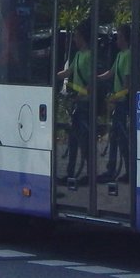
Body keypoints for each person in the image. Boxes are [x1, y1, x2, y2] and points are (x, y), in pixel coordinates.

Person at [57, 22, 92, 184]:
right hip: (78, 103)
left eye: (77, 37)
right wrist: (54, 74)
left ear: (83, 38)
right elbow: (69, 72)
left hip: (85, 104)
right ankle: (70, 173)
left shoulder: (89, 56)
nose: (75, 40)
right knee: (73, 139)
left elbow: (90, 82)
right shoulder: (78, 56)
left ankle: (89, 173)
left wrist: (80, 95)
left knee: (82, 141)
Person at [97, 25, 131, 184]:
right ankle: (113, 169)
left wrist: (114, 98)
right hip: (118, 103)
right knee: (115, 137)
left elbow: (126, 86)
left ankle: (124, 171)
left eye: (119, 37)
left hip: (122, 104)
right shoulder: (120, 56)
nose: (117, 40)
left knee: (121, 139)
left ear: (124, 39)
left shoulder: (128, 56)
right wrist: (96, 77)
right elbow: (110, 73)